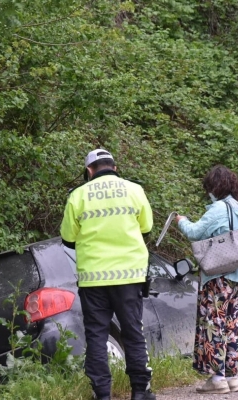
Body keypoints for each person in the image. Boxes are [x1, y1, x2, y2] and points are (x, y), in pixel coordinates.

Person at [60, 149, 155, 400]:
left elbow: (68, 238)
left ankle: (102, 394)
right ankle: (140, 391)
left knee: (97, 336)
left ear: (89, 171)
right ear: (114, 167)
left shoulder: (78, 195)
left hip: (93, 279)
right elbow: (146, 227)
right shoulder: (134, 190)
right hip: (129, 276)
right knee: (133, 332)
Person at [174, 165, 238, 394]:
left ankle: (217, 379)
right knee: (231, 325)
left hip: (218, 277)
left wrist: (181, 220)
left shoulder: (218, 209)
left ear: (214, 187)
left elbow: (194, 232)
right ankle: (232, 377)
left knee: (213, 325)